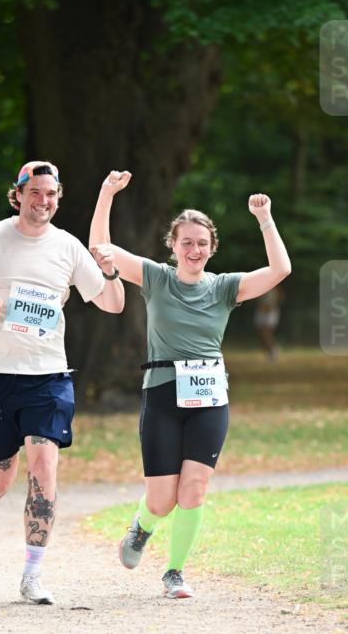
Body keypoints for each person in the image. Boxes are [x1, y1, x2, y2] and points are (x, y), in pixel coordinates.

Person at [0, 160, 125, 605]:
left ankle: (32, 574)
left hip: (47, 375)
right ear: (18, 195)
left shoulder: (68, 247)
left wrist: (108, 269)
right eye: (35, 192)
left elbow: (112, 304)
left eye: (51, 193)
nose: (44, 201)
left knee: (44, 465)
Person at [89, 171, 292, 599]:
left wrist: (265, 219)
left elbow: (280, 269)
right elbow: (100, 250)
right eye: (187, 242)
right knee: (162, 500)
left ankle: (175, 573)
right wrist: (107, 193)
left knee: (194, 489)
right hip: (162, 393)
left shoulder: (224, 288)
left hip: (210, 396)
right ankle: (142, 527)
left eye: (202, 243)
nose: (194, 249)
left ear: (211, 247)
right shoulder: (156, 279)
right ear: (173, 246)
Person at [254, 285, 283, 361]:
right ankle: (269, 352)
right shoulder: (261, 284)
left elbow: (280, 296)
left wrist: (272, 305)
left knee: (266, 332)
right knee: (261, 333)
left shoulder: (275, 285)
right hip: (261, 310)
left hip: (271, 311)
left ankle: (273, 351)